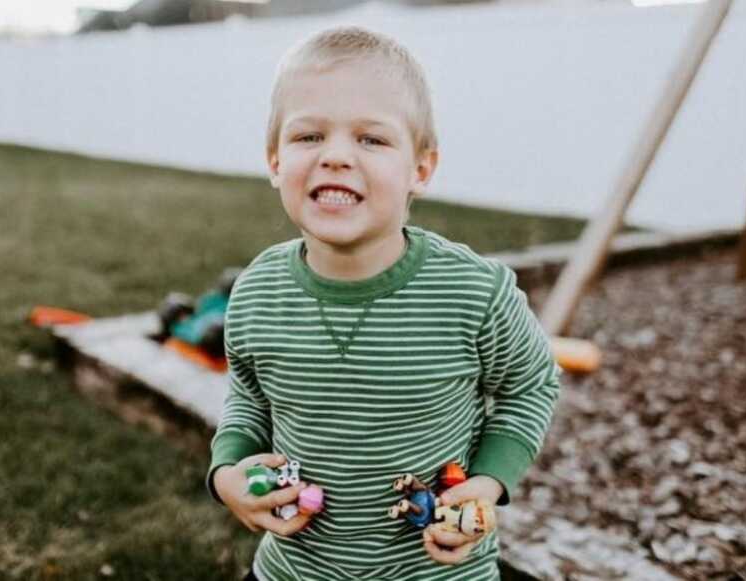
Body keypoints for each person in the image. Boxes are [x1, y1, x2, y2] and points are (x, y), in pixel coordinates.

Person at [206, 25, 561, 581]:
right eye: (309, 137)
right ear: (275, 161)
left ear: (420, 169)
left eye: (371, 139)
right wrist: (228, 471)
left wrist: (487, 484)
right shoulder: (257, 291)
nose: (337, 157)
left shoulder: (473, 292)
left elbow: (530, 384)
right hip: (294, 571)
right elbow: (249, 394)